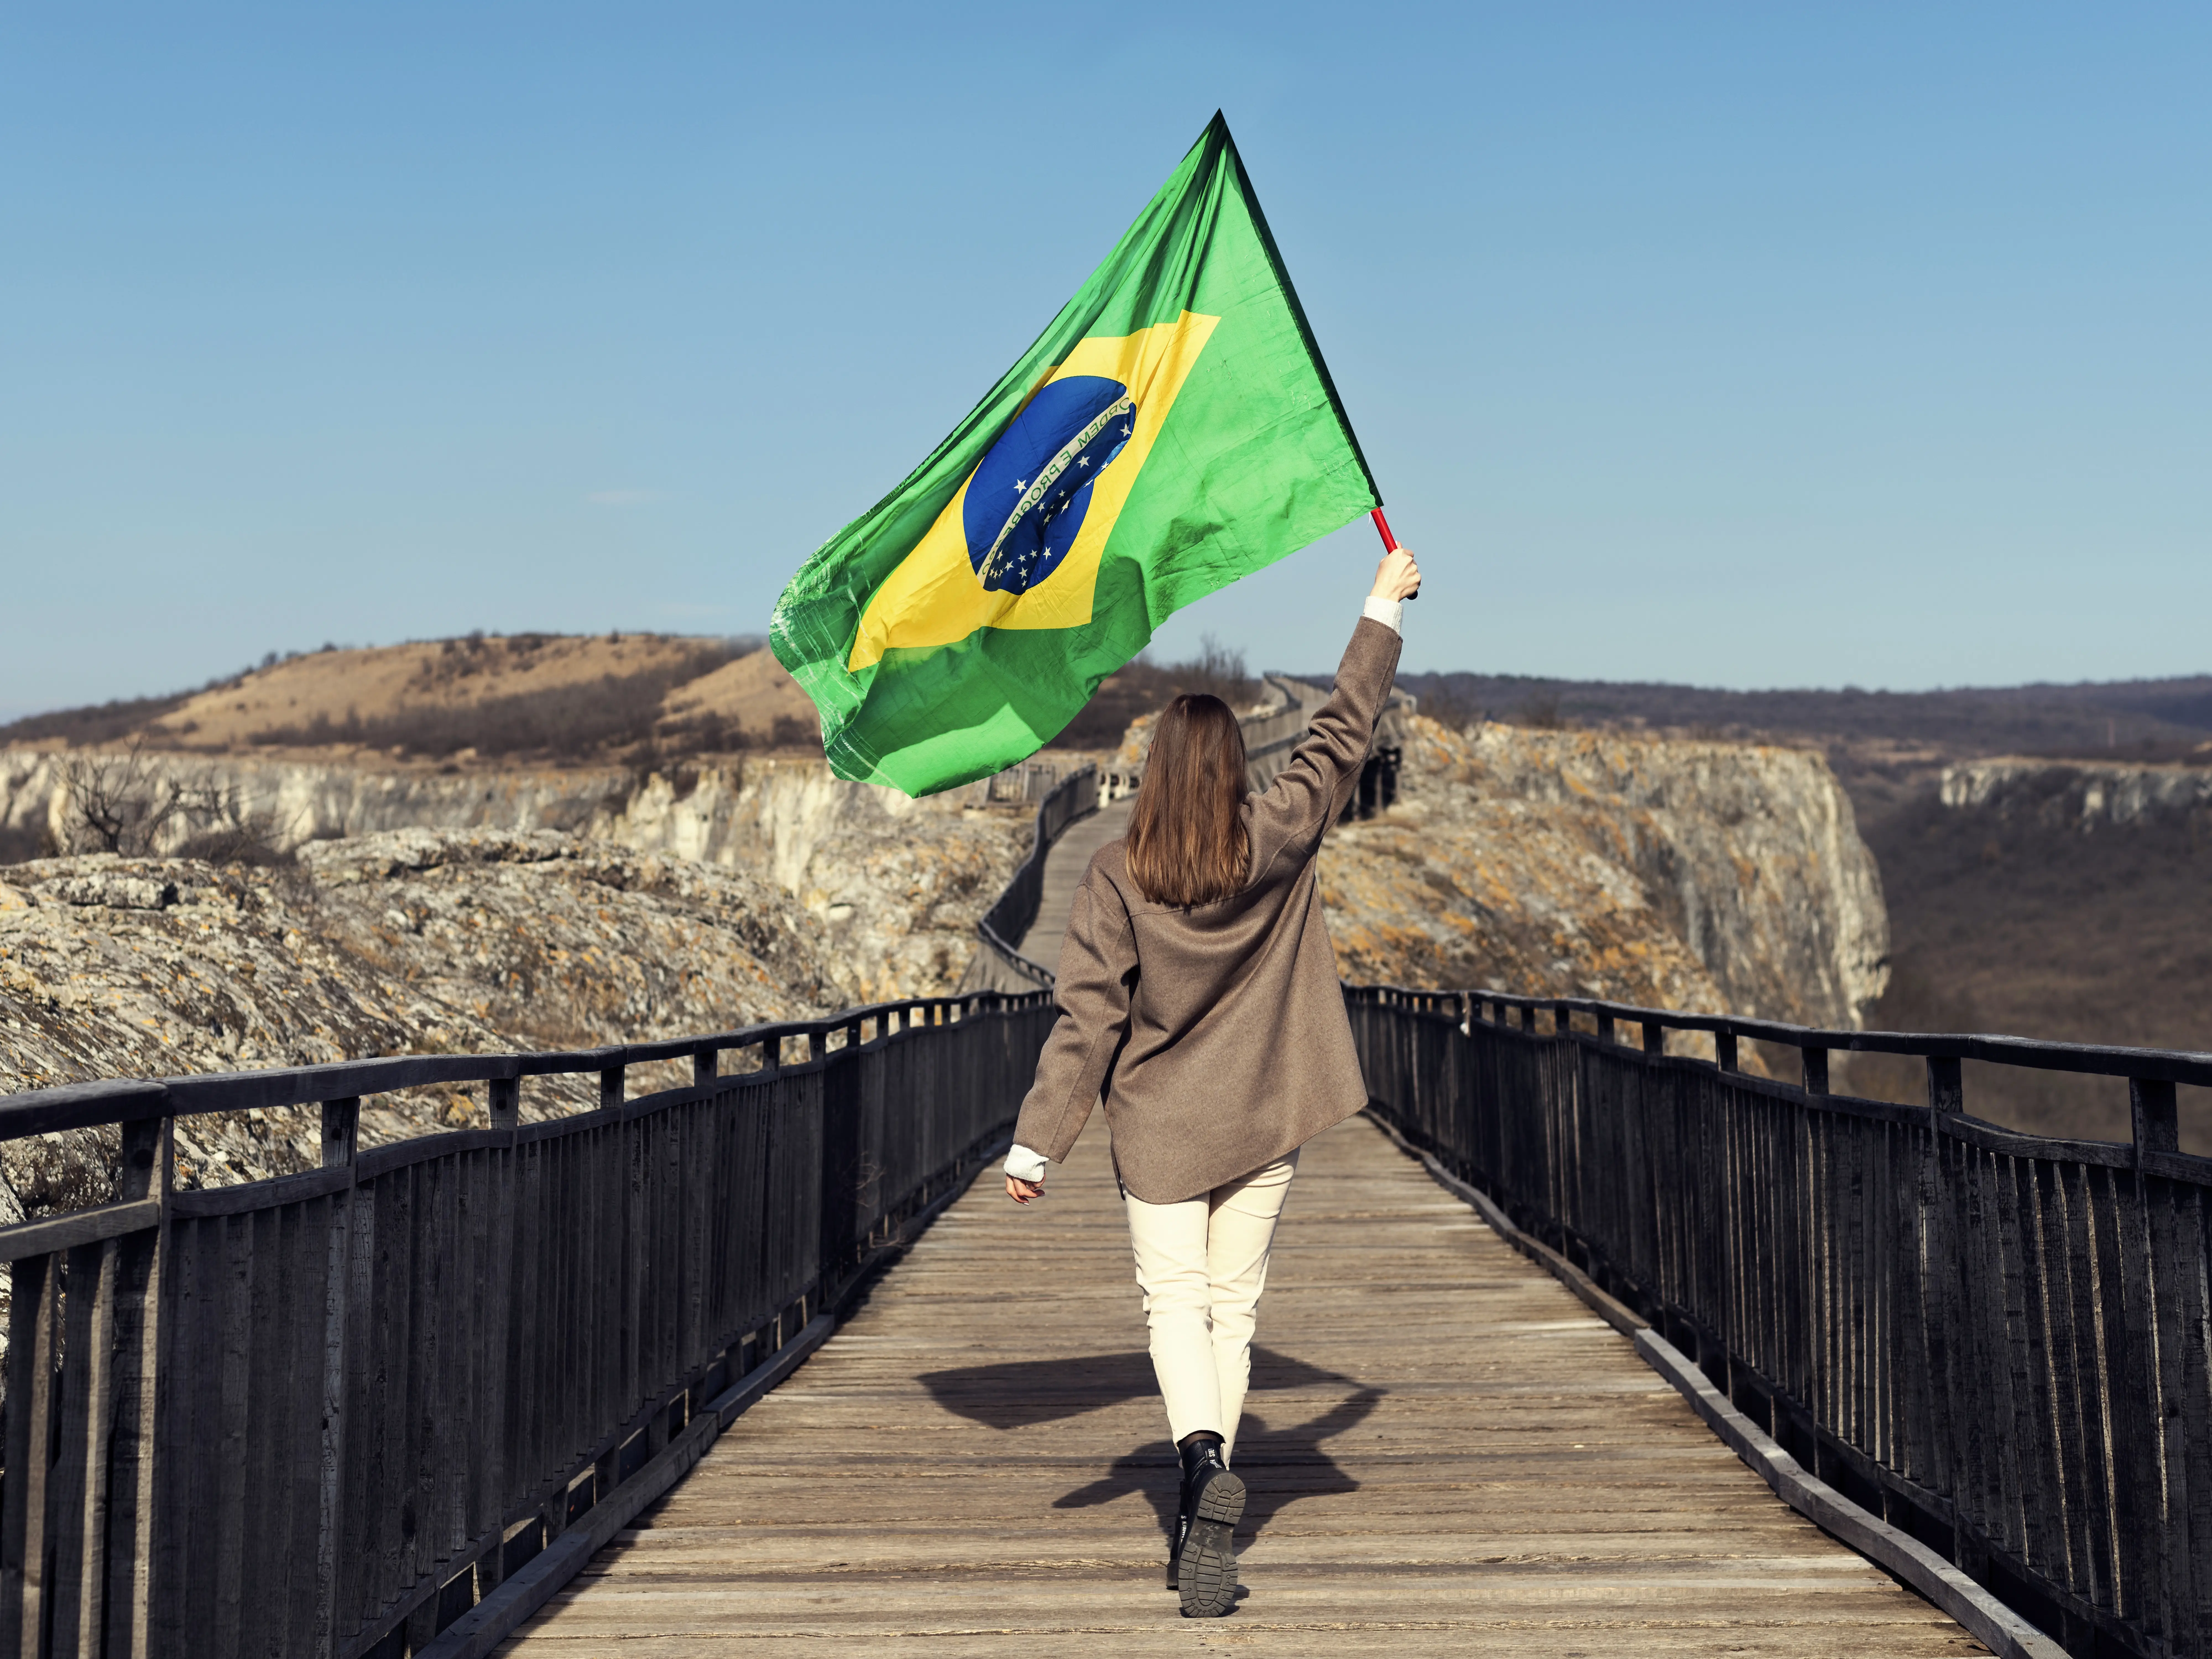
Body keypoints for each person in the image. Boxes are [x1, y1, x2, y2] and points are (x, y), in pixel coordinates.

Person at [1001, 544, 1422, 1619]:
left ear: (1153, 775)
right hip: (1265, 1117)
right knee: (1232, 1314)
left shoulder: (1115, 874)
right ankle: (1204, 1517)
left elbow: (1088, 1018)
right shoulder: (1275, 836)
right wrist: (1380, 607)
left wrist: (1038, 1143)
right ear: (1236, 770)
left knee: (1173, 1307)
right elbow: (1342, 732)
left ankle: (1197, 1466)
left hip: (1160, 1130)